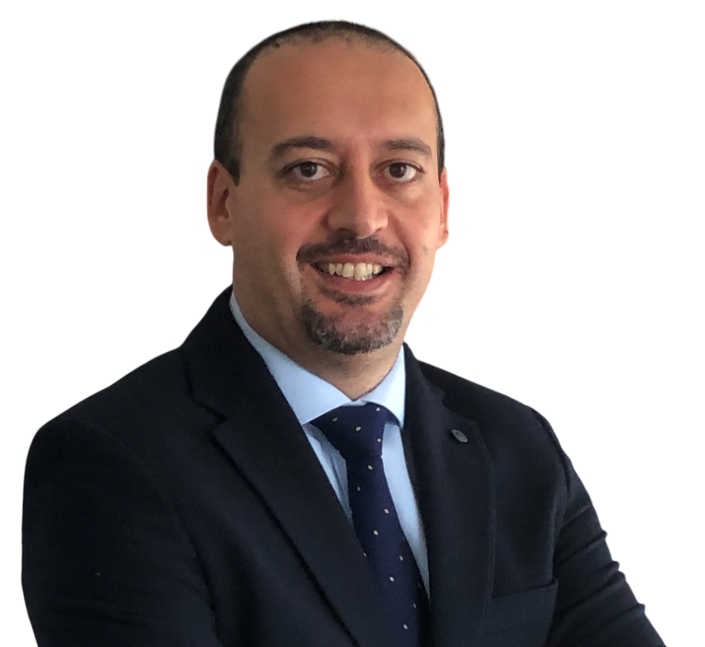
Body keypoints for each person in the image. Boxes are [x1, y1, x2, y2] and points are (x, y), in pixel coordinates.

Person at [21, 19, 665, 647]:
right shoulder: (110, 463)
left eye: (399, 170)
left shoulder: (518, 448)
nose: (361, 216)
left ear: (442, 208)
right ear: (223, 202)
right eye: (308, 169)